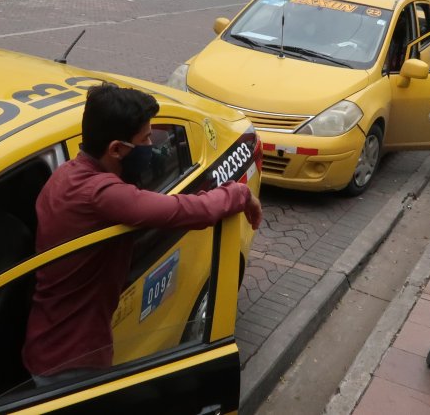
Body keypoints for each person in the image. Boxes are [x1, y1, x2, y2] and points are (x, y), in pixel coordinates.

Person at [23, 84, 263, 386]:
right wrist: (239, 193)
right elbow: (183, 210)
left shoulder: (65, 174)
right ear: (116, 149)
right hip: (72, 360)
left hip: (45, 341)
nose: (153, 144)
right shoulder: (100, 195)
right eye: (146, 138)